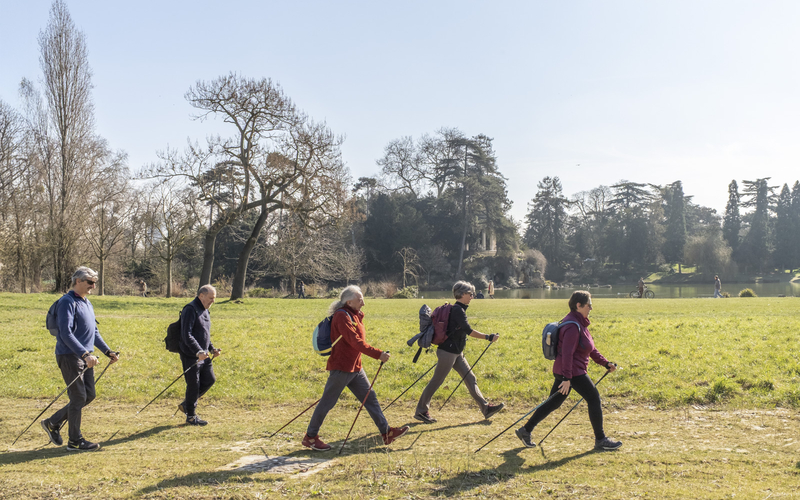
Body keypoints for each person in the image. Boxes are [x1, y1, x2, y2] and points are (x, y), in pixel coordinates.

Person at [303, 285, 408, 451]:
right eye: (360, 299)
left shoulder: (354, 315)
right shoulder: (341, 316)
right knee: (327, 403)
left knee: (370, 399)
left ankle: (386, 433)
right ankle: (310, 437)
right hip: (342, 367)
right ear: (349, 301)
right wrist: (378, 354)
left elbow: (355, 343)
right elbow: (355, 342)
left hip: (355, 368)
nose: (363, 302)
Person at [515, 290, 622, 451]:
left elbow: (590, 348)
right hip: (573, 372)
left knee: (553, 402)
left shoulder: (579, 323)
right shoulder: (573, 326)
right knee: (593, 399)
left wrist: (605, 363)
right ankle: (600, 439)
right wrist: (567, 378)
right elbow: (567, 353)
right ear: (578, 305)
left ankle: (526, 430)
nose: (591, 308)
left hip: (568, 371)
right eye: (588, 305)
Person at [41, 267, 119, 452]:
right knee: (78, 397)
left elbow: (94, 332)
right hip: (70, 356)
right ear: (78, 281)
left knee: (88, 395)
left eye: (94, 282)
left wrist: (108, 351)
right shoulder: (67, 302)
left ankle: (53, 422)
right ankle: (75, 441)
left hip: (86, 357)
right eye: (90, 282)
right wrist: (85, 354)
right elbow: (66, 333)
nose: (93, 286)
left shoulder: (87, 303)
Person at [413, 281, 505, 424]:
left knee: (470, 378)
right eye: (470, 294)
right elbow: (469, 331)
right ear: (462, 294)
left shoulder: (459, 309)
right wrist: (488, 337)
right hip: (447, 352)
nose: (472, 297)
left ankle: (485, 408)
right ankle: (421, 411)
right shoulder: (457, 310)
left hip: (456, 352)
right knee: (436, 381)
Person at [177, 285, 222, 426]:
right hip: (191, 355)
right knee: (194, 385)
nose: (212, 302)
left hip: (204, 354)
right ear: (201, 296)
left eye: (214, 299)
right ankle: (190, 416)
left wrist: (212, 349)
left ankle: (186, 405)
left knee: (209, 380)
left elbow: (204, 334)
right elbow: (186, 334)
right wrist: (198, 351)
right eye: (210, 298)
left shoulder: (205, 310)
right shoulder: (190, 309)